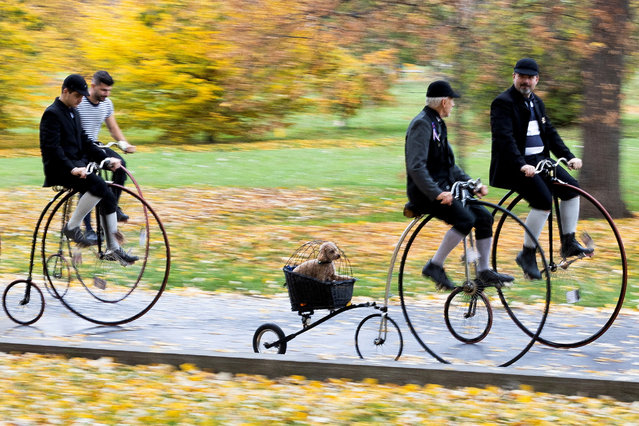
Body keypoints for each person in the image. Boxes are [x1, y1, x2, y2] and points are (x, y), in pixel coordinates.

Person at [490, 58, 593, 280]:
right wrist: (521, 164)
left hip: (539, 161)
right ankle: (527, 254)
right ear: (514, 77)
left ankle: (568, 242)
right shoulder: (503, 103)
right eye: (521, 76)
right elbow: (504, 140)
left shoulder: (536, 102)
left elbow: (550, 134)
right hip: (514, 165)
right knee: (543, 200)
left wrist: (568, 156)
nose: (525, 81)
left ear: (536, 80)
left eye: (530, 77)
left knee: (571, 188)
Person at [405, 80, 514, 290]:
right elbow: (416, 167)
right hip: (425, 193)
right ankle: (434, 265)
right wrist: (437, 193)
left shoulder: (437, 122)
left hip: (445, 188)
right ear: (444, 101)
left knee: (483, 217)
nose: (454, 105)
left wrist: (472, 185)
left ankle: (483, 271)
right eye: (452, 101)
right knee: (465, 219)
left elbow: (449, 166)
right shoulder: (422, 123)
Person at [39, 74, 138, 265]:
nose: (80, 100)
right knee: (98, 186)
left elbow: (85, 142)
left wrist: (107, 159)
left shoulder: (73, 112)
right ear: (65, 91)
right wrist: (72, 168)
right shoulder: (52, 113)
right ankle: (72, 226)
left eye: (83, 96)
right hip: (59, 168)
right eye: (77, 96)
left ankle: (113, 249)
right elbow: (53, 150)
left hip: (76, 165)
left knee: (107, 195)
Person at [77, 70, 135, 227]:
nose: (106, 94)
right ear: (93, 86)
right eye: (103, 90)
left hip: (95, 145)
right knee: (88, 180)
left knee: (120, 166)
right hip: (80, 147)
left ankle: (112, 207)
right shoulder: (79, 102)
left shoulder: (107, 104)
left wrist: (125, 144)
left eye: (109, 90)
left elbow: (113, 128)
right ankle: (87, 229)